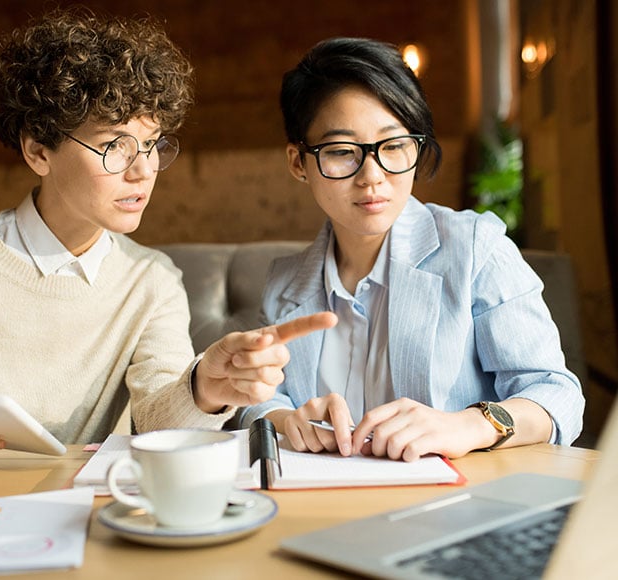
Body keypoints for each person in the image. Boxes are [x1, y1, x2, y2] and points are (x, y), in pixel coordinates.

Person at [0, 9, 335, 469]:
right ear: (38, 151)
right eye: (114, 145)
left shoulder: (151, 280)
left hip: (74, 515)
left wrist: (203, 390)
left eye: (152, 144)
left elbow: (158, 417)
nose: (144, 171)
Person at [238, 37, 584, 462]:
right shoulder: (285, 282)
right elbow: (258, 398)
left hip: (456, 507)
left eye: (394, 146)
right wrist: (284, 419)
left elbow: (556, 394)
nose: (372, 177)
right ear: (298, 162)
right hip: (327, 511)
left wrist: (468, 424)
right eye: (343, 152)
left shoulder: (475, 249)